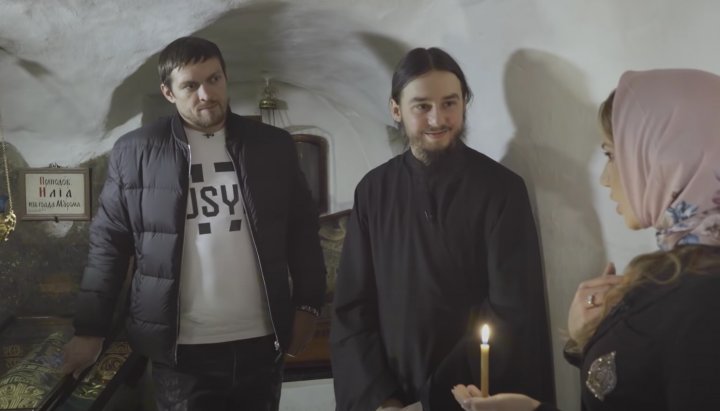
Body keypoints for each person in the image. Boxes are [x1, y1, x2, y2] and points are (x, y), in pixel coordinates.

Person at [61, 36, 326, 410]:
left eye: (214, 79)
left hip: (262, 342)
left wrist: (309, 304)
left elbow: (302, 231)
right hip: (181, 351)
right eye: (190, 85)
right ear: (168, 93)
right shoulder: (135, 152)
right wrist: (90, 329)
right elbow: (109, 246)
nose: (206, 94)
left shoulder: (273, 146)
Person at [453, 69, 720, 411]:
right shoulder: (677, 266)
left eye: (611, 155)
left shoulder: (705, 300)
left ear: (666, 158)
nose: (606, 180)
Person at [330, 47, 555, 411]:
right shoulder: (373, 191)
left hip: (471, 392)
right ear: (396, 110)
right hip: (390, 392)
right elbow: (352, 308)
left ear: (464, 103)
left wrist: (431, 400)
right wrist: (381, 397)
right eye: (422, 106)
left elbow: (511, 310)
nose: (438, 118)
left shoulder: (501, 190)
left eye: (450, 103)